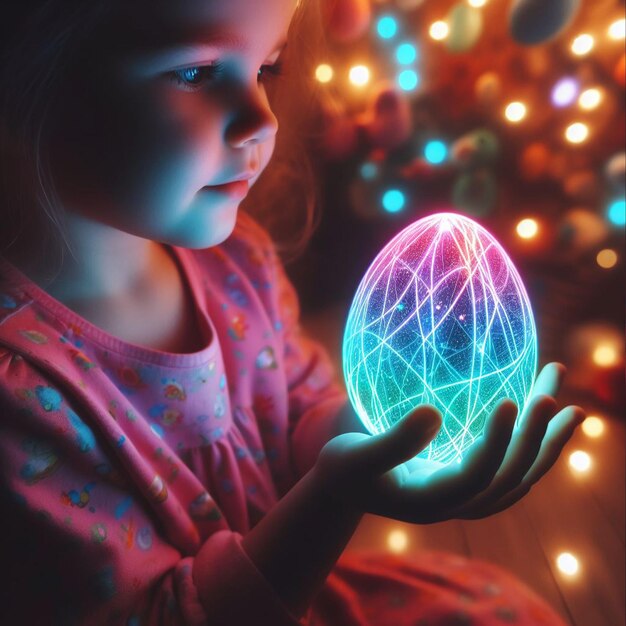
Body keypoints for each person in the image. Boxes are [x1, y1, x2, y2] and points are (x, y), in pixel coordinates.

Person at [0, 0, 585, 624]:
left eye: (266, 69)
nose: (261, 118)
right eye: (195, 73)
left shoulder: (237, 260)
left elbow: (301, 409)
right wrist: (334, 497)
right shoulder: (20, 393)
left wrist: (378, 441)